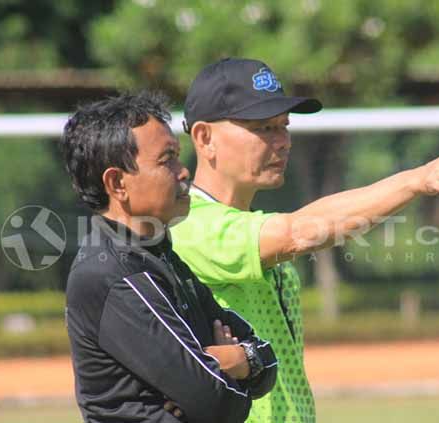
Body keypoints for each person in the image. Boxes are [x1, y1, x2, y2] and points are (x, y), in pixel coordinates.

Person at [170, 58, 439, 423]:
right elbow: (298, 233)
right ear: (205, 138)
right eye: (263, 127)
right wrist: (416, 180)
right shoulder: (188, 223)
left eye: (284, 126)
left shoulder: (246, 225)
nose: (282, 141)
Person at [60, 91, 278, 423]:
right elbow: (219, 404)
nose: (184, 171)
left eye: (178, 156)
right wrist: (233, 371)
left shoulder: (159, 255)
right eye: (167, 160)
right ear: (117, 183)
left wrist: (241, 360)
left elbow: (267, 359)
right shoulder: (113, 274)